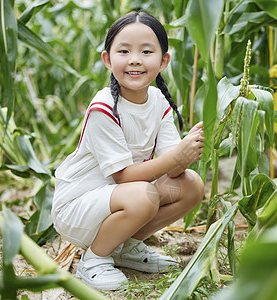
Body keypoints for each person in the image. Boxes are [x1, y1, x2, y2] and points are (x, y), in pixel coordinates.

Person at [51, 11, 205, 291]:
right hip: (78, 206)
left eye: (146, 51)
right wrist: (177, 155)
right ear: (108, 60)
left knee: (191, 185)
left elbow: (173, 169)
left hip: (123, 202)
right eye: (124, 51)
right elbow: (123, 176)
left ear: (164, 61)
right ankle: (94, 260)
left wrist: (187, 151)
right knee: (143, 195)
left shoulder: (159, 102)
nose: (135, 59)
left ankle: (125, 248)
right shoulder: (104, 108)